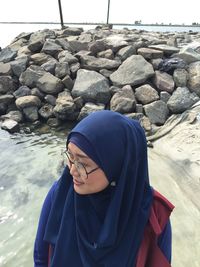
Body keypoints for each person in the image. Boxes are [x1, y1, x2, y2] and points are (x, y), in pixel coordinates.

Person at [34, 110, 174, 267]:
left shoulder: (153, 213)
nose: (72, 171)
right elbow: (41, 257)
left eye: (83, 164)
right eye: (71, 157)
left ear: (116, 166)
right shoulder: (60, 194)